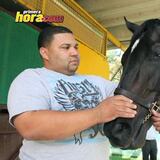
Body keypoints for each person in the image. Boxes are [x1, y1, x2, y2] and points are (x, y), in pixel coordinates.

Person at [7, 26, 137, 160]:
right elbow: (29, 126)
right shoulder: (31, 77)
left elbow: (135, 100)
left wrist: (155, 114)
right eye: (66, 47)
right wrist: (98, 114)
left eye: (76, 47)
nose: (74, 52)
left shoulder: (98, 82)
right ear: (45, 53)